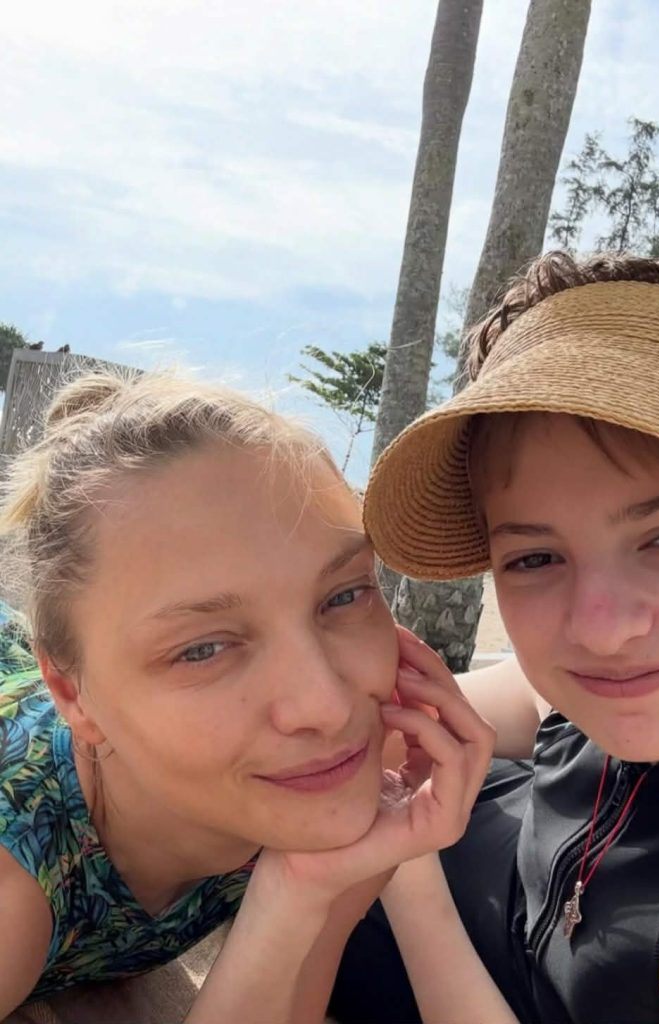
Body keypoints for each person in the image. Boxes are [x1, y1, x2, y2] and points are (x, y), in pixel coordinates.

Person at [0, 369, 496, 1022]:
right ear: (72, 693)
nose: (326, 707)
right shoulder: (17, 877)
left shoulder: (345, 776)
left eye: (344, 595)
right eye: (203, 649)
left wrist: (303, 890)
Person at [330, 252, 659, 1024]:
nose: (601, 632)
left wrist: (406, 873)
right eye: (534, 558)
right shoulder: (568, 699)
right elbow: (383, 726)